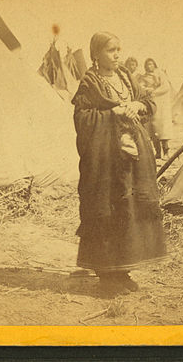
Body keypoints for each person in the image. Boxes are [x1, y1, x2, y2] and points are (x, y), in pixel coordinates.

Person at [71, 32, 167, 294]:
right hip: (105, 162)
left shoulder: (126, 77)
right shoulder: (90, 83)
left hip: (133, 158)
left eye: (118, 49)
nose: (117, 55)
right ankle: (106, 276)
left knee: (129, 210)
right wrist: (111, 113)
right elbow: (82, 118)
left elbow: (149, 103)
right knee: (107, 209)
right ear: (96, 54)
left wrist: (138, 104)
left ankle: (123, 270)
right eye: (111, 50)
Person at [138, 58, 174, 160]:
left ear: (154, 65)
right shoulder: (143, 77)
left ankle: (166, 152)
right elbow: (140, 87)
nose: (150, 66)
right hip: (151, 104)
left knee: (163, 129)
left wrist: (154, 91)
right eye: (148, 65)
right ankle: (157, 152)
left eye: (151, 64)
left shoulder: (161, 75)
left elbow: (166, 87)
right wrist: (147, 89)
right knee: (153, 130)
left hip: (161, 105)